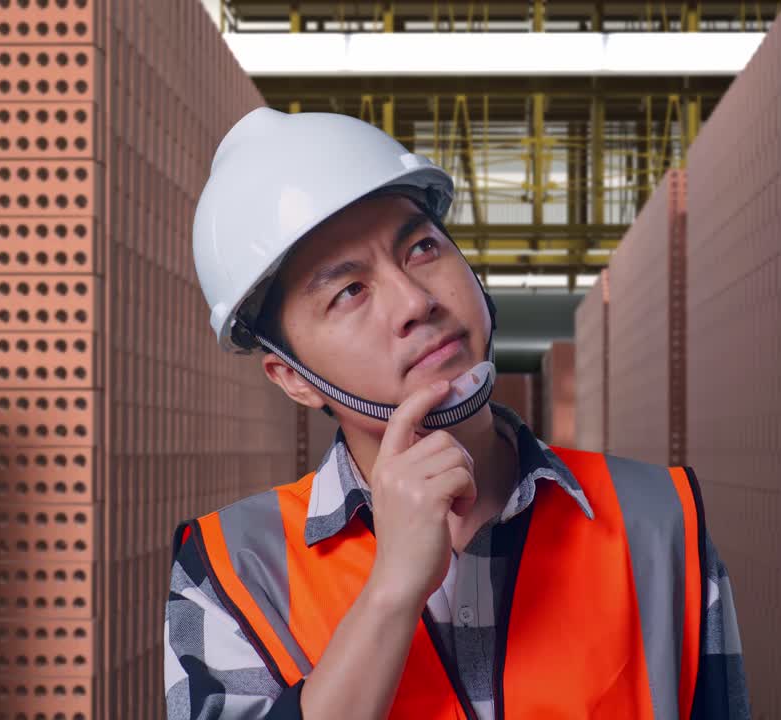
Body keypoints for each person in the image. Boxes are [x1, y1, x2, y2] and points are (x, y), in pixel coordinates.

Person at [165, 106, 751, 720]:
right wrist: (392, 593)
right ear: (291, 378)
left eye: (421, 248)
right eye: (349, 291)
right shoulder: (232, 568)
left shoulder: (658, 521)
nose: (416, 301)